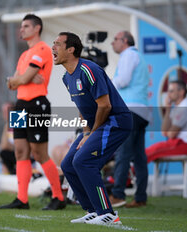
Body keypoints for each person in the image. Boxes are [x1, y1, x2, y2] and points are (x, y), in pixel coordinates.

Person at [53, 32, 132, 225]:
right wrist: (86, 132)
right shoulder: (66, 77)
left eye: (57, 44)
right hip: (97, 125)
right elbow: (82, 108)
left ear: (71, 49)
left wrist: (92, 133)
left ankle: (109, 215)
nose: (52, 48)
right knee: (68, 164)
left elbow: (105, 106)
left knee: (84, 161)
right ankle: (93, 210)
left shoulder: (89, 69)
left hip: (116, 122)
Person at [0, 14, 65, 210]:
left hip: (37, 104)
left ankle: (58, 197)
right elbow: (13, 82)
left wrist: (22, 78)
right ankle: (22, 199)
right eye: (21, 26)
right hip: (19, 105)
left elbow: (21, 78)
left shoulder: (43, 49)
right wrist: (22, 79)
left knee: (39, 153)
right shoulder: (23, 55)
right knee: (20, 151)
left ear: (37, 28)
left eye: (26, 26)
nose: (22, 30)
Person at [110, 31, 150, 208]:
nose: (112, 43)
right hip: (141, 111)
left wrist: (107, 85)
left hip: (129, 110)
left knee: (123, 153)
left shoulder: (128, 55)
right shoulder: (138, 56)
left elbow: (123, 80)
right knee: (139, 157)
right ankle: (140, 197)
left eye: (115, 40)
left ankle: (118, 194)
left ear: (124, 41)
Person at [145, 80, 187, 162]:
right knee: (152, 150)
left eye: (171, 91)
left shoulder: (185, 106)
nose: (168, 94)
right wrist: (167, 109)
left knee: (154, 150)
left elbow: (171, 134)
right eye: (168, 91)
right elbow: (164, 132)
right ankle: (130, 170)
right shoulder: (177, 107)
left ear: (181, 92)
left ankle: (130, 171)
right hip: (178, 143)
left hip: (185, 145)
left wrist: (170, 132)